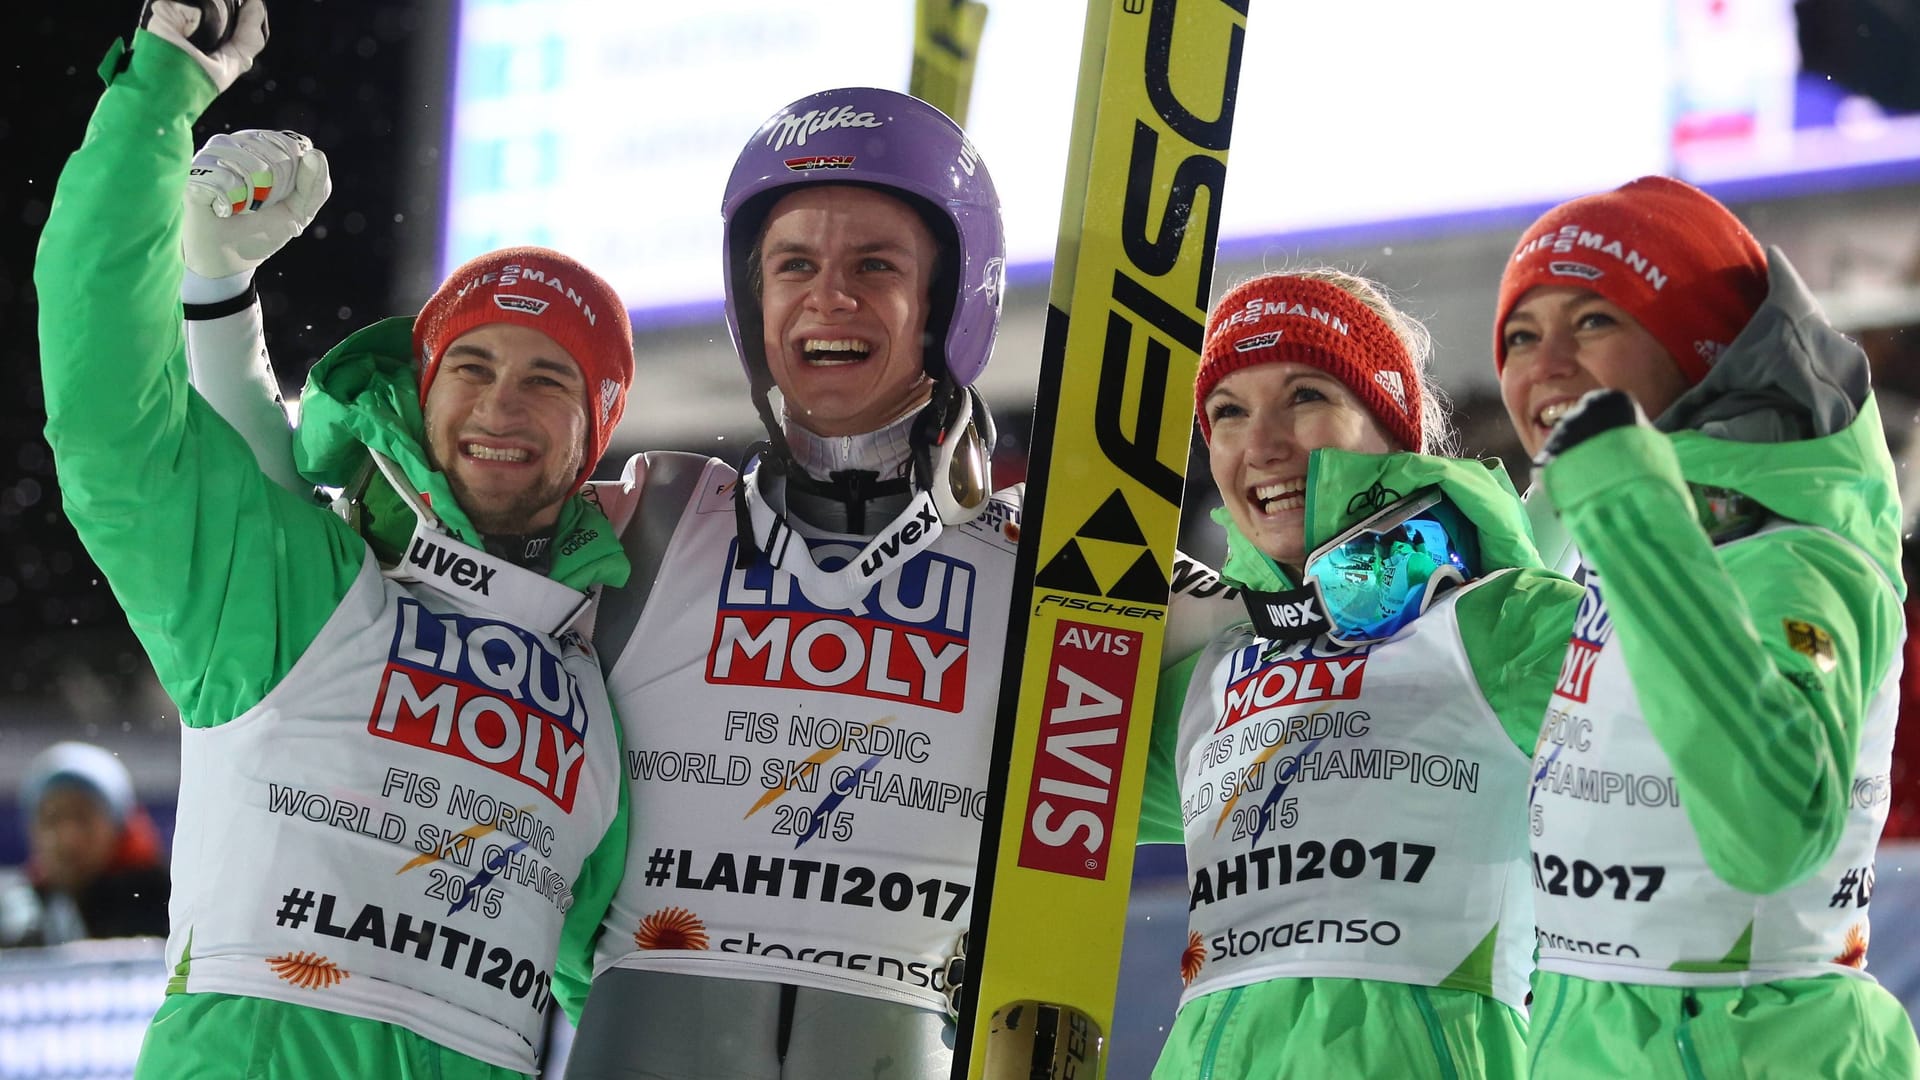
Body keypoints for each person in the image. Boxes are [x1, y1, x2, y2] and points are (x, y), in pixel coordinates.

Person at [34, 3, 636, 1076]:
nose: (504, 407)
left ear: (598, 431)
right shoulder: (298, 589)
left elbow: (637, 983)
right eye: (474, 368)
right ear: (420, 392)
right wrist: (156, 99)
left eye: (551, 379)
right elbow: (108, 420)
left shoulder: (596, 694)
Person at [1494, 175, 1920, 1077]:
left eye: (1595, 321)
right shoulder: (1599, 550)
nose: (1547, 364)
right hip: (1589, 1041)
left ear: (1701, 348)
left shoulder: (1800, 555)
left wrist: (1627, 507)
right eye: (1522, 336)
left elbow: (1774, 829)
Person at [1137, 270, 1584, 1078]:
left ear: (1388, 421)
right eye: (1228, 412)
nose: (1262, 445)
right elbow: (1001, 796)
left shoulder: (1504, 624)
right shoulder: (1205, 676)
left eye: (1305, 396)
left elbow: (1715, 740)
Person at [0, 742, 170, 948]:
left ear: (117, 827)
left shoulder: (164, 903)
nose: (68, 837)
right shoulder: (18, 910)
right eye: (52, 819)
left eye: (82, 817)